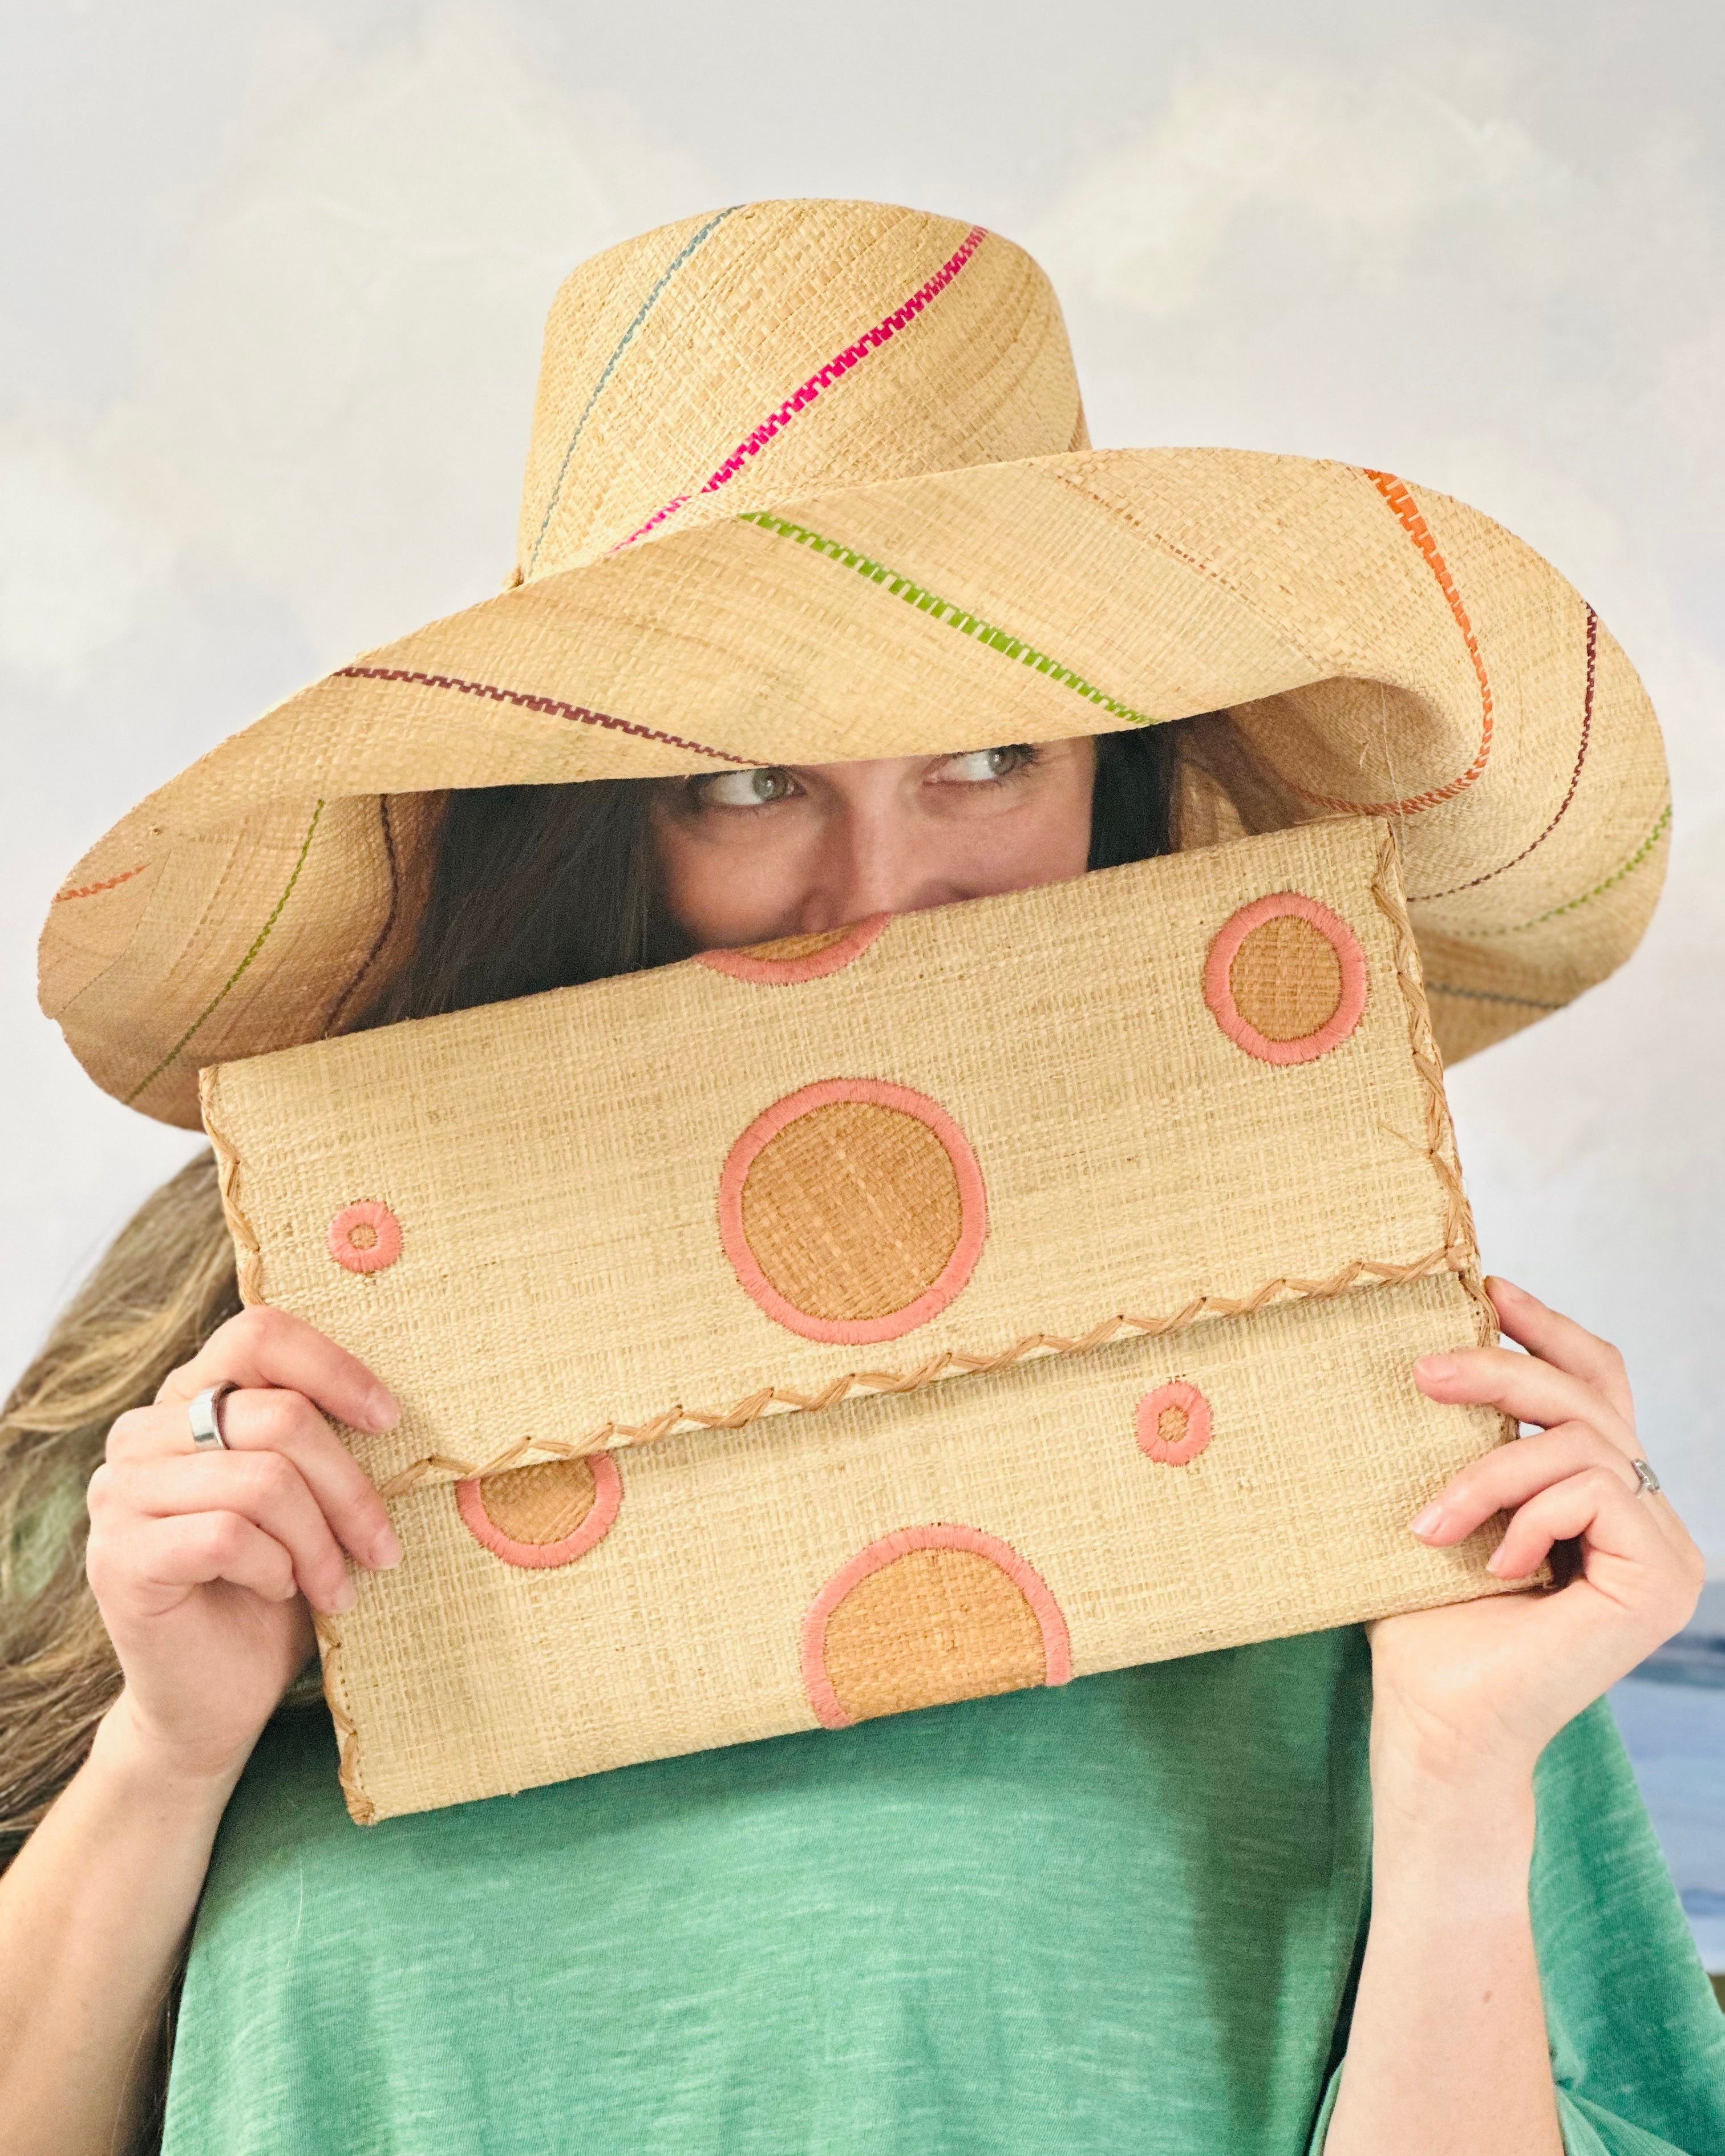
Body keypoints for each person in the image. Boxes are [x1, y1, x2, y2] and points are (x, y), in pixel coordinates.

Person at [4, 198, 1722, 2156]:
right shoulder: (236, 1396)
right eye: (748, 785)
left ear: (1120, 787)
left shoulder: (1388, 1416)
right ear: (588, 833)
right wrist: (167, 1743)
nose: (880, 901)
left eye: (988, 760)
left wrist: (1452, 1774)